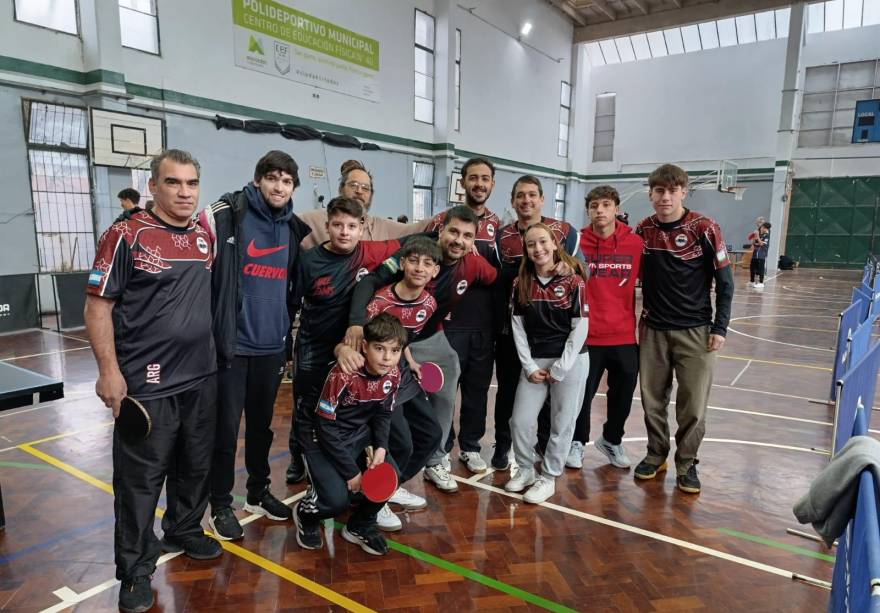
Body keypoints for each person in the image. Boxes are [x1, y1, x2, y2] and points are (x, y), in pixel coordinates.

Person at [84, 150, 220, 613]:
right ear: (154, 186)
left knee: (196, 467)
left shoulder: (205, 237)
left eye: (192, 183)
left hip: (201, 378)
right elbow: (98, 306)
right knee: (141, 482)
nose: (184, 192)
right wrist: (108, 370)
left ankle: (184, 528)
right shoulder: (125, 234)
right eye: (174, 182)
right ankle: (136, 569)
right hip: (147, 383)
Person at [198, 150, 311, 541]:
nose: (279, 186)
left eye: (287, 180)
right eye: (273, 178)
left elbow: (293, 287)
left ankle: (258, 493)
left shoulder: (294, 229)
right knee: (225, 432)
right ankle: (218, 503)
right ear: (259, 179)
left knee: (262, 428)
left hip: (270, 347)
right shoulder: (227, 213)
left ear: (293, 186)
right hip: (232, 346)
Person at [347, 205, 498, 493]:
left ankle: (435, 460)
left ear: (473, 242)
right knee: (388, 408)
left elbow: (499, 279)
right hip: (390, 338)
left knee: (450, 366)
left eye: (467, 236)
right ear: (441, 229)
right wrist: (355, 324)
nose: (458, 240)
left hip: (427, 335)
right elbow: (370, 280)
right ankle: (373, 467)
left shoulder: (473, 263)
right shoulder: (414, 249)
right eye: (453, 231)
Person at [286, 197, 408, 485]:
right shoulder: (309, 261)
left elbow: (410, 241)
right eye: (338, 225)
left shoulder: (369, 252)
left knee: (344, 404)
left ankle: (343, 460)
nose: (344, 232)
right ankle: (298, 456)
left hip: (353, 345)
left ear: (361, 228)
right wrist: (285, 349)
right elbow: (291, 304)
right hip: (313, 346)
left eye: (351, 225)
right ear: (327, 226)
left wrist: (441, 228)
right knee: (305, 406)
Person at [634, 164, 734, 494]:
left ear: (683, 192)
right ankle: (656, 453)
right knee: (652, 401)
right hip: (652, 330)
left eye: (671, 190)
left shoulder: (704, 227)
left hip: (696, 331)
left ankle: (687, 462)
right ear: (650, 193)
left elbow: (725, 282)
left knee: (692, 405)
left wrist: (720, 327)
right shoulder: (642, 230)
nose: (665, 197)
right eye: (659, 190)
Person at [336, 237, 444, 530]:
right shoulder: (379, 302)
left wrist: (409, 359)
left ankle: (388, 486)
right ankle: (376, 500)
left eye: (427, 263)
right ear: (403, 264)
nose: (419, 268)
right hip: (378, 383)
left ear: (435, 271)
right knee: (402, 444)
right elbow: (364, 346)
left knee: (432, 435)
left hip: (404, 376)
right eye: (414, 260)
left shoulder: (429, 302)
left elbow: (401, 337)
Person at [293, 313, 405, 556]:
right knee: (336, 501)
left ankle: (360, 525)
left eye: (394, 351)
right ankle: (306, 514)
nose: (387, 358)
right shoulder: (342, 374)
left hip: (356, 433)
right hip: (318, 434)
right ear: (364, 346)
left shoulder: (394, 374)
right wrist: (351, 472)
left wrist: (381, 448)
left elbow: (383, 414)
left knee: (391, 477)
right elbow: (325, 427)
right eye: (379, 348)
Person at [493, 175, 578, 470]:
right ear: (513, 201)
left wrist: (571, 268)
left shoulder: (566, 232)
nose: (526, 201)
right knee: (508, 395)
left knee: (551, 402)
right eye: (520, 196)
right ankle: (503, 448)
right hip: (514, 330)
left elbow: (580, 272)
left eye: (532, 195)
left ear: (542, 198)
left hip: (552, 336)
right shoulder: (501, 236)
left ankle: (544, 453)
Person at [422, 157, 501, 474]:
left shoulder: (500, 228)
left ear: (492, 184)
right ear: (462, 183)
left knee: (477, 391)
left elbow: (500, 278)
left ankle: (470, 446)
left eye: (485, 178)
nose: (479, 183)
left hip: (482, 326)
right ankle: (439, 450)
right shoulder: (441, 222)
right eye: (473, 178)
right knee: (441, 393)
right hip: (446, 325)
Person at [504, 223, 590, 504]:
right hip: (536, 362)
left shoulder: (574, 282)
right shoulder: (520, 284)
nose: (538, 249)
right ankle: (526, 470)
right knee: (520, 420)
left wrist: (561, 367)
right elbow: (517, 328)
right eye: (531, 245)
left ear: (555, 245)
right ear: (526, 251)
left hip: (571, 361)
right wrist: (528, 366)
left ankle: (549, 476)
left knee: (562, 423)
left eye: (543, 242)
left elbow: (580, 328)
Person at [562, 185, 642, 470]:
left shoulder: (635, 243)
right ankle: (576, 442)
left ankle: (611, 440)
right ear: (588, 210)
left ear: (616, 208)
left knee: (623, 394)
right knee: (581, 395)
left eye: (606, 205)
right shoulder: (576, 242)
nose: (600, 210)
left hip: (623, 334)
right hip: (586, 335)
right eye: (594, 206)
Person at [298, 160, 417, 249]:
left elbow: (416, 229)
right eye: (353, 185)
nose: (359, 191)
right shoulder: (311, 220)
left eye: (365, 188)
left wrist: (436, 219)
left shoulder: (380, 227)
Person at [749, 222, 771, 288]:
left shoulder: (766, 235)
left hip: (761, 255)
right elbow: (753, 243)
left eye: (762, 227)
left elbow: (761, 244)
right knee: (752, 268)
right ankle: (752, 281)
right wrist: (754, 237)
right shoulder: (760, 234)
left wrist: (757, 236)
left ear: (765, 228)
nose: (761, 228)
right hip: (755, 254)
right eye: (761, 227)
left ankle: (761, 283)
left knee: (761, 269)